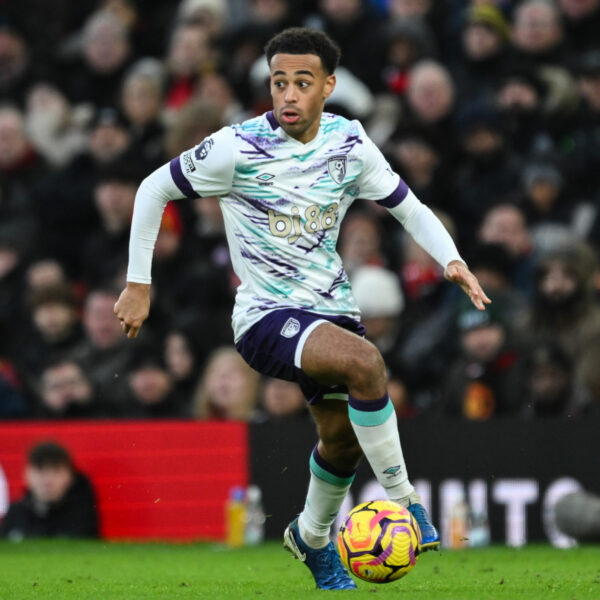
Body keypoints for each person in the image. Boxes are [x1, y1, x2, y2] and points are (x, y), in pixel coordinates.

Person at [114, 28, 490, 590]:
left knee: (340, 440)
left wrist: (452, 259)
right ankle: (406, 503)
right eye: (278, 83)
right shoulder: (236, 148)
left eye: (302, 83)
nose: (287, 95)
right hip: (265, 315)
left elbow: (406, 206)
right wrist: (138, 284)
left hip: (332, 308)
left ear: (329, 86)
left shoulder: (349, 142)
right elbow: (151, 189)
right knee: (366, 365)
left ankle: (311, 539)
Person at [0, 441, 99, 540]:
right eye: (40, 471)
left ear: (71, 476)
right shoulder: (15, 513)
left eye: (56, 471)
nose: (48, 480)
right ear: (26, 474)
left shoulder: (82, 513)